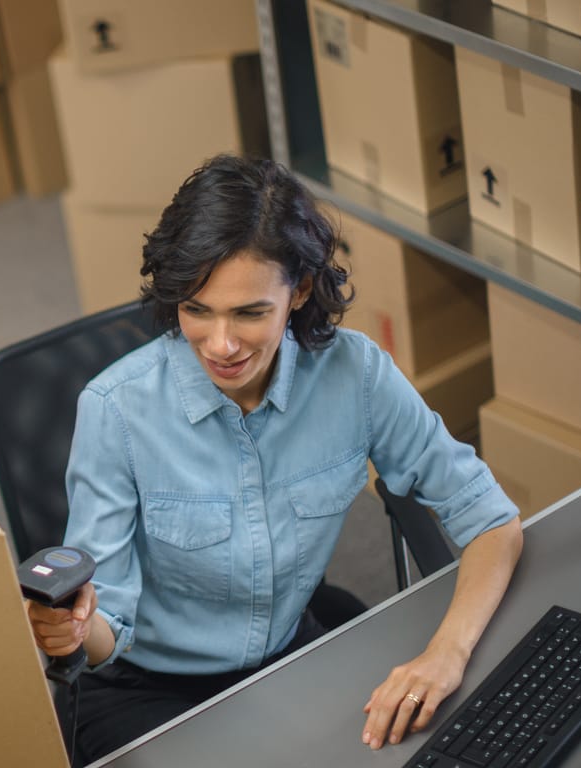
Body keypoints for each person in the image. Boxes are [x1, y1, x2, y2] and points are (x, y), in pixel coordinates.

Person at [26, 154, 523, 764]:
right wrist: (77, 629)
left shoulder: (356, 375)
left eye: (249, 312)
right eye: (196, 310)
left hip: (285, 654)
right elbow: (110, 630)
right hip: (145, 689)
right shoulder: (115, 411)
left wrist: (446, 653)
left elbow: (490, 518)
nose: (221, 344)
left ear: (301, 289)